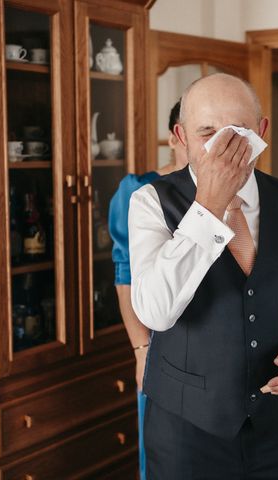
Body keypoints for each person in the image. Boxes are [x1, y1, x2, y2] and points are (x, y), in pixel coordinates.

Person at [128, 73, 278, 480]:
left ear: (261, 131)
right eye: (208, 131)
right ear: (182, 135)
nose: (222, 145)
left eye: (238, 130)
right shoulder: (150, 203)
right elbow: (156, 312)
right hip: (186, 436)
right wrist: (208, 205)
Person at [108, 99, 188, 480]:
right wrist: (142, 350)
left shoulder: (231, 189)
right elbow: (125, 277)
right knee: (163, 450)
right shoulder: (138, 190)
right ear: (176, 136)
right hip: (159, 338)